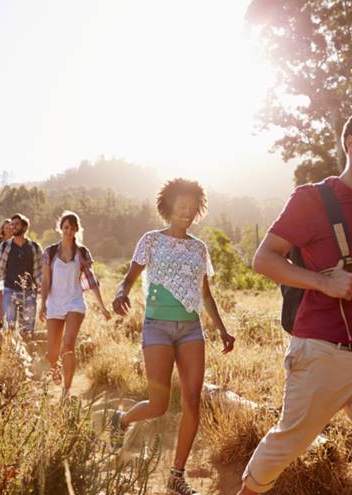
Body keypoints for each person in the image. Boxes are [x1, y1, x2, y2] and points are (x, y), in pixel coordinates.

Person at [239, 108, 352, 495]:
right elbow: (264, 258)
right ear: (351, 144)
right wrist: (322, 282)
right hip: (321, 354)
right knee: (286, 443)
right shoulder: (312, 199)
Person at [111, 178, 236, 495]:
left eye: (193, 209)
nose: (188, 214)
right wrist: (120, 294)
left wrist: (222, 329)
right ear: (168, 208)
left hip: (191, 329)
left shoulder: (199, 248)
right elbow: (128, 279)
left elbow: (205, 295)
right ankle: (122, 420)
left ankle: (176, 475)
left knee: (193, 401)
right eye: (182, 208)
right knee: (159, 405)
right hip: (157, 327)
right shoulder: (151, 241)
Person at [40, 211, 111, 397]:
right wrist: (42, 305)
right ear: (60, 228)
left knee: (68, 344)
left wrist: (102, 307)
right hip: (54, 303)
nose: (68, 231)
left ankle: (66, 390)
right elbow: (46, 281)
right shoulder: (50, 252)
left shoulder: (82, 252)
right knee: (52, 352)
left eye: (72, 228)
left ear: (76, 230)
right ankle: (55, 368)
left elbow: (92, 280)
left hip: (75, 302)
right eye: (65, 227)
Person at [0, 214, 43, 337]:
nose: (13, 227)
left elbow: (40, 274)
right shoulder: (4, 247)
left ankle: (25, 353)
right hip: (9, 291)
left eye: (17, 224)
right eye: (12, 224)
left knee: (28, 331)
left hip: (29, 293)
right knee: (9, 329)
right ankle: (10, 355)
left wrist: (44, 293)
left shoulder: (35, 248)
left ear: (25, 227)